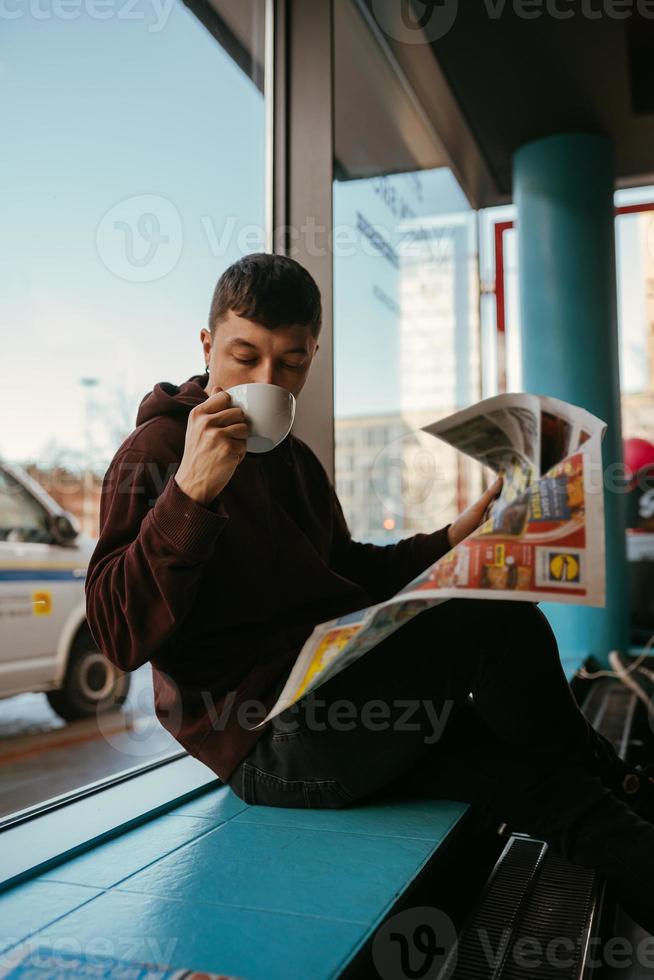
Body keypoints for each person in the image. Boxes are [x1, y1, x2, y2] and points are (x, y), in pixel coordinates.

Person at [86, 252, 654, 933]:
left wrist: (454, 536)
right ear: (207, 347)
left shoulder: (294, 459)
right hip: (266, 743)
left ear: (312, 357)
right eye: (244, 358)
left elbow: (346, 568)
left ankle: (623, 802)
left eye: (291, 364)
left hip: (343, 701)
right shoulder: (156, 452)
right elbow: (118, 636)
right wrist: (190, 494)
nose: (267, 381)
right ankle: (619, 775)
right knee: (491, 624)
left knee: (530, 779)